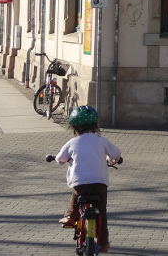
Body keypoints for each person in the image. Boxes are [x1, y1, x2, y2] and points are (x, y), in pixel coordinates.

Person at [55, 105, 121, 253]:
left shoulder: (72, 143)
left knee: (76, 195)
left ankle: (70, 216)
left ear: (73, 127)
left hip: (80, 184)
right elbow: (116, 154)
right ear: (95, 125)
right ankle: (103, 244)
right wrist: (112, 160)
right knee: (102, 212)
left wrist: (64, 160)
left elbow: (60, 159)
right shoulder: (101, 141)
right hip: (99, 183)